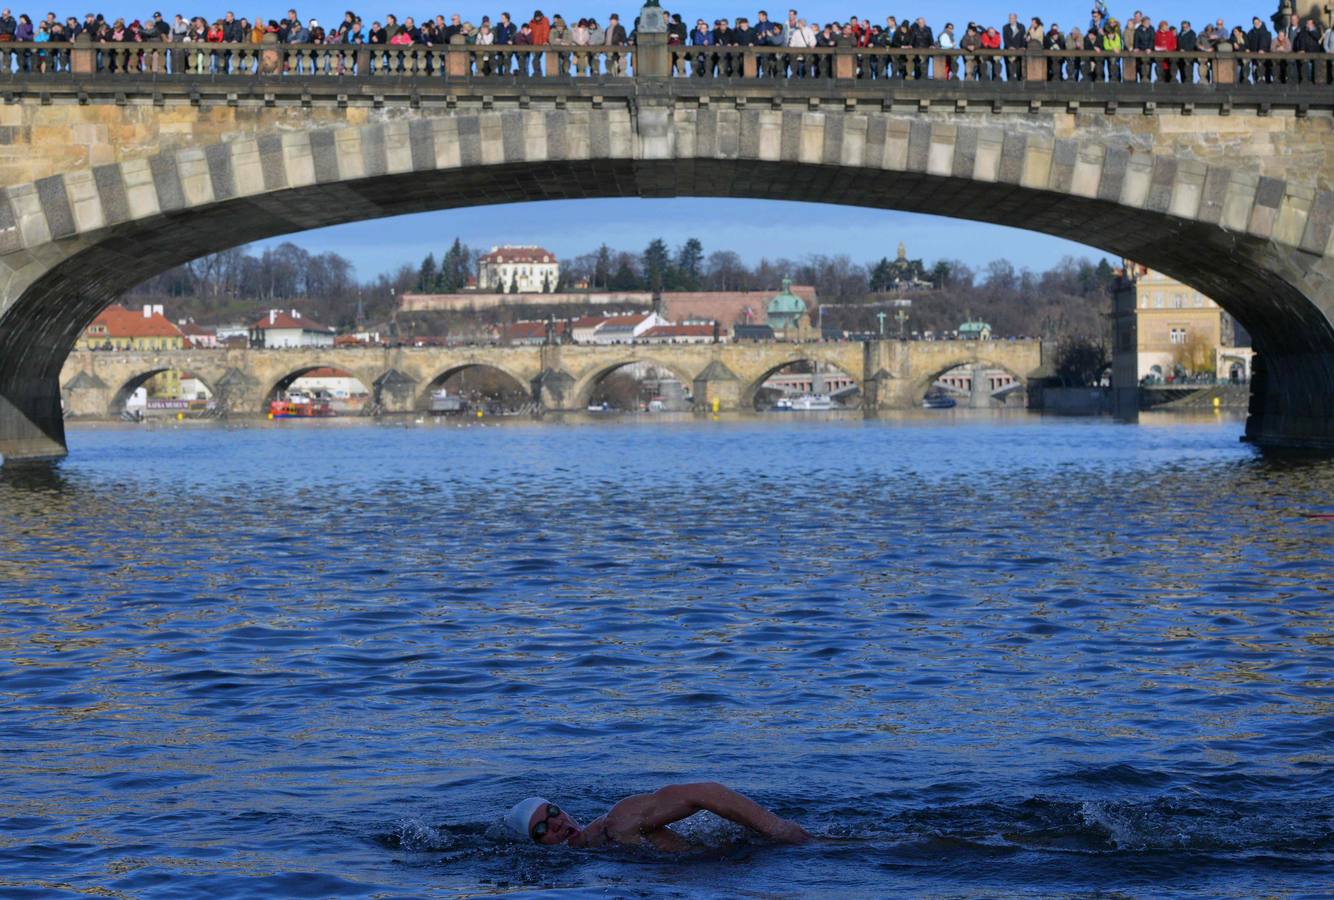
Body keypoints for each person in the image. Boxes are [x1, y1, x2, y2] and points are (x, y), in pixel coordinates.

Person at [506, 783, 811, 851]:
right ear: (536, 846)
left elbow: (703, 792)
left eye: (553, 812)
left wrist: (777, 829)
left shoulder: (617, 821)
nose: (557, 823)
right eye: (542, 829)